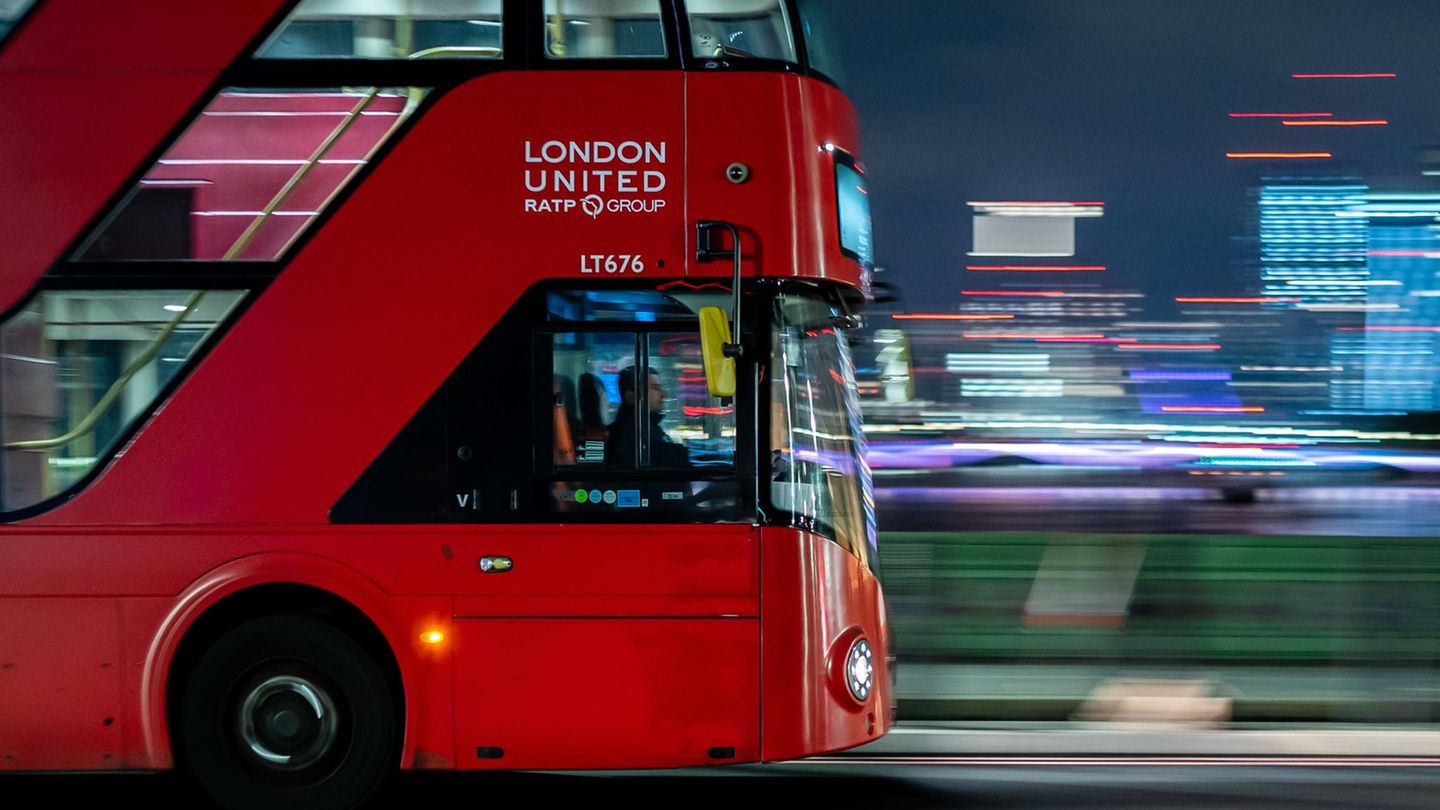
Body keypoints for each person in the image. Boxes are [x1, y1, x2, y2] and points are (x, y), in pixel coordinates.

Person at [609, 366, 689, 467]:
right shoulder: (631, 436)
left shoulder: (647, 427)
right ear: (631, 397)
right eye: (655, 388)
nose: (664, 394)